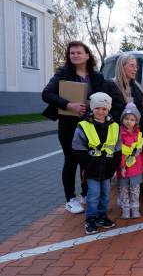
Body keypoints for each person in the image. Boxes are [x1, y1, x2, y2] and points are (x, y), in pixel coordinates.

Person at [41, 41, 121, 214]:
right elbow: (46, 94)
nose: (75, 55)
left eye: (78, 52)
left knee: (89, 159)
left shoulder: (97, 77)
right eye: (71, 53)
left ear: (87, 55)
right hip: (68, 125)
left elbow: (105, 97)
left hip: (92, 125)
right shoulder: (62, 73)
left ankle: (85, 194)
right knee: (71, 160)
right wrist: (69, 105)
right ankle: (70, 199)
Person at [71, 92, 121, 234]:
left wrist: (114, 165)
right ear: (92, 108)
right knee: (93, 195)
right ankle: (90, 219)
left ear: (108, 110)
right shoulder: (84, 126)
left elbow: (117, 148)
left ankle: (102, 215)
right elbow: (77, 147)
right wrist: (86, 163)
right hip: (92, 168)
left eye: (104, 109)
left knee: (105, 194)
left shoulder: (114, 126)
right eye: (97, 108)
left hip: (107, 168)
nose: (100, 111)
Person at [117, 103, 143, 219]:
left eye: (132, 119)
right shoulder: (119, 133)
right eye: (126, 118)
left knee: (135, 190)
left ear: (136, 122)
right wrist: (122, 167)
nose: (129, 121)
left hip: (136, 167)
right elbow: (119, 152)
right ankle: (125, 209)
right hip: (123, 168)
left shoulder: (139, 134)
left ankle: (135, 208)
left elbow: (141, 151)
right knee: (123, 190)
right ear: (122, 119)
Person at [112, 54, 143, 125]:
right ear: (122, 67)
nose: (135, 69)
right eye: (132, 66)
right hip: (116, 132)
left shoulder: (138, 88)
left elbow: (141, 113)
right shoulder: (110, 85)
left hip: (135, 133)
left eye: (136, 66)